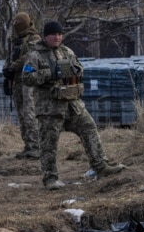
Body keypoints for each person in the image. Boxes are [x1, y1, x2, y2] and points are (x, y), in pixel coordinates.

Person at [22, 21, 124, 190]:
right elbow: (27, 77)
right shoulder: (35, 55)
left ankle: (100, 166)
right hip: (49, 107)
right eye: (53, 34)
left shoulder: (66, 51)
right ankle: (50, 178)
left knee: (89, 128)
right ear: (46, 35)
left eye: (60, 34)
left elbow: (79, 68)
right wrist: (51, 73)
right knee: (49, 143)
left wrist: (74, 71)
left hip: (72, 104)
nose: (57, 37)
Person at [3, 13, 41, 159]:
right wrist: (7, 68)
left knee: (29, 113)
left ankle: (35, 146)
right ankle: (28, 145)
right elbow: (12, 56)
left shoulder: (34, 39)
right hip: (17, 81)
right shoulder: (17, 40)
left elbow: (30, 56)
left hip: (29, 81)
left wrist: (13, 66)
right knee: (21, 113)